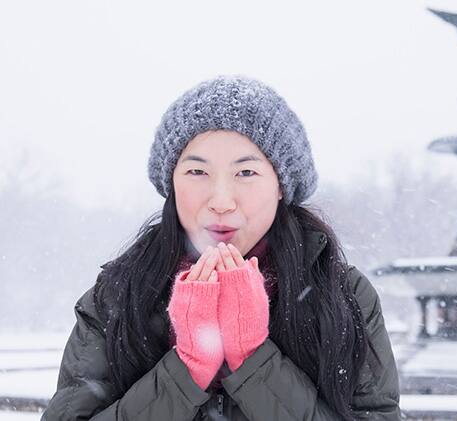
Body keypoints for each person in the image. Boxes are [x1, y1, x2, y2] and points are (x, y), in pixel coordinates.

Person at [42, 75, 401, 420]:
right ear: (172, 184)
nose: (221, 201)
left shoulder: (342, 295)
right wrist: (188, 368)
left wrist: (253, 359)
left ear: (281, 186)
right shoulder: (118, 296)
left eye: (246, 173)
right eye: (198, 173)